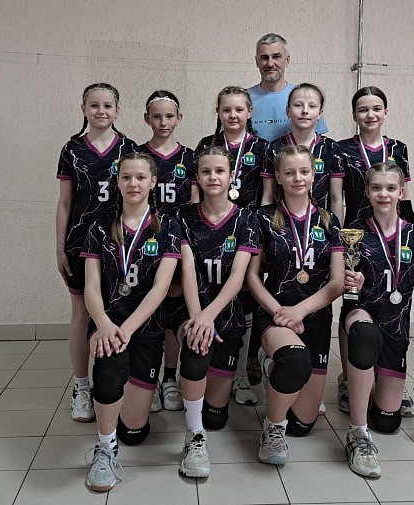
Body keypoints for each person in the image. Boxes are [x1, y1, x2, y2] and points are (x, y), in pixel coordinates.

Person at [80, 152, 181, 492]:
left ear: (153, 182)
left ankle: (119, 416)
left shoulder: (168, 228)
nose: (133, 183)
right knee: (109, 366)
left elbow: (161, 288)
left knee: (134, 432)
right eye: (126, 177)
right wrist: (104, 324)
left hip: (145, 328)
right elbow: (91, 287)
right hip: (108, 322)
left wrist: (126, 329)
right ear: (118, 182)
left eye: (140, 177)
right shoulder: (99, 227)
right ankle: (105, 447)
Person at [245, 145, 348, 465]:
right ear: (278, 177)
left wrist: (300, 311)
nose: (297, 178)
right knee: (294, 361)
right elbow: (252, 277)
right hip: (274, 314)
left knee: (302, 425)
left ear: (314, 175)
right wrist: (280, 312)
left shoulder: (330, 222)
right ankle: (272, 427)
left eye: (304, 171)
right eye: (289, 172)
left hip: (314, 318)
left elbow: (336, 283)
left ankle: (274, 370)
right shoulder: (262, 219)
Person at [341, 162, 414, 479]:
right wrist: (352, 281)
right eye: (377, 188)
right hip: (362, 313)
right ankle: (357, 432)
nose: (384, 194)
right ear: (367, 192)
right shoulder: (355, 233)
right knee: (364, 337)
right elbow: (345, 289)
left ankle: (367, 382)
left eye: (391, 188)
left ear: (401, 192)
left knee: (387, 420)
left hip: (395, 328)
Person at [175, 146, 260, 478]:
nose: (213, 177)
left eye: (220, 171)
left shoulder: (246, 218)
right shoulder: (182, 216)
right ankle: (193, 435)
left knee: (216, 417)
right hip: (190, 308)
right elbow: (187, 271)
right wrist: (198, 318)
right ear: (197, 177)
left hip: (227, 313)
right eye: (206, 171)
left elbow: (238, 277)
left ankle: (201, 409)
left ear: (231, 176)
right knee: (196, 349)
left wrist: (209, 317)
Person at [55, 83, 138, 423]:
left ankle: (126, 382)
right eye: (94, 105)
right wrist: (59, 247)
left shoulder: (130, 149)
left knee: (121, 310)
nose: (101, 111)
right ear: (83, 109)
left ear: (117, 111)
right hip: (80, 244)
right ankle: (81, 385)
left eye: (107, 105)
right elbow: (64, 203)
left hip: (120, 245)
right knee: (81, 313)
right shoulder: (72, 149)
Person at [337, 86, 414, 417]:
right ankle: (348, 378)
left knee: (394, 302)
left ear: (385, 113)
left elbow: (405, 193)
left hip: (391, 234)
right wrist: (339, 236)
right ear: (354, 115)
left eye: (376, 108)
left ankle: (390, 373)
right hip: (357, 237)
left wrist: (407, 232)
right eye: (363, 109)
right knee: (353, 303)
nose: (370, 114)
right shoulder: (342, 149)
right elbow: (336, 197)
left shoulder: (398, 148)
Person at [195, 86, 270, 404]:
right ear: (218, 112)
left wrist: (260, 235)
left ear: (250, 112)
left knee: (245, 301)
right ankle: (202, 369)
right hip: (211, 234)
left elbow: (267, 196)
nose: (233, 115)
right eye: (226, 110)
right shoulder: (206, 145)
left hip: (247, 235)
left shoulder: (263, 147)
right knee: (209, 295)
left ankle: (240, 374)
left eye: (239, 109)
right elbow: (196, 194)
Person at [140, 90, 196, 413]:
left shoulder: (190, 158)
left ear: (179, 119)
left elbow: (196, 206)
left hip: (177, 244)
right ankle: (146, 375)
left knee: (174, 308)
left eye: (169, 116)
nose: (163, 122)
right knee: (148, 309)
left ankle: (170, 377)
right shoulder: (136, 154)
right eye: (157, 116)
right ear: (147, 119)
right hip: (144, 246)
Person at [262, 83, 346, 233]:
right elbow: (268, 196)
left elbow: (336, 198)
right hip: (282, 228)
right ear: (288, 111)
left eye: (312, 106)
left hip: (321, 227)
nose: (305, 111)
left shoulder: (331, 148)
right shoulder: (274, 148)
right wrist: (265, 231)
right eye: (298, 105)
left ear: (320, 113)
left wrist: (337, 234)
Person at [248, 33, 328, 142]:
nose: (270, 63)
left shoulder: (303, 97)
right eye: (264, 58)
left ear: (287, 60)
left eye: (276, 57)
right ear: (257, 62)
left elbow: (316, 143)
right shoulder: (244, 99)